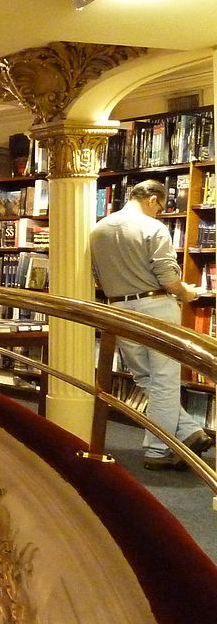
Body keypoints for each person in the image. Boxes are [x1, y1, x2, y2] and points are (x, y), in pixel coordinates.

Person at [91, 178, 214, 470]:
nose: (159, 212)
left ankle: (187, 432)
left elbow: (97, 275)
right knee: (165, 380)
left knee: (145, 378)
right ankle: (158, 451)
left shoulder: (98, 230)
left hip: (119, 308)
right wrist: (189, 293)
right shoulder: (153, 227)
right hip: (155, 307)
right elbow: (170, 281)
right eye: (160, 207)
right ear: (152, 200)